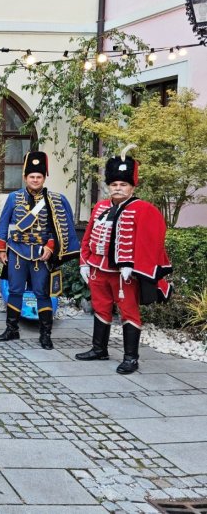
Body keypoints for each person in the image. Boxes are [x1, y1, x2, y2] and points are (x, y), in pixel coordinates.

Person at [76, 146, 172, 374]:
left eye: (123, 185)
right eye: (114, 185)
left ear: (132, 187)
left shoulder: (143, 209)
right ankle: (99, 349)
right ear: (109, 186)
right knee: (100, 308)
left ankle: (131, 357)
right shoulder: (100, 206)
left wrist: (133, 265)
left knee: (129, 312)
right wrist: (84, 262)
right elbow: (88, 236)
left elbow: (151, 242)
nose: (118, 188)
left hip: (123, 274)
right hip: (98, 269)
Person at [0, 151, 80, 349]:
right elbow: (3, 224)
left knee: (42, 293)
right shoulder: (13, 198)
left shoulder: (53, 200)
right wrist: (1, 249)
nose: (35, 180)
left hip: (41, 255)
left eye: (39, 177)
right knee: (15, 291)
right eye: (32, 176)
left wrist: (51, 246)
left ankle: (45, 334)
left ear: (44, 178)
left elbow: (56, 229)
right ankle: (12, 329)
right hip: (16, 251)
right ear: (25, 177)